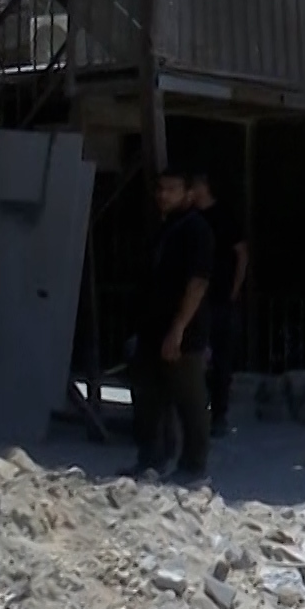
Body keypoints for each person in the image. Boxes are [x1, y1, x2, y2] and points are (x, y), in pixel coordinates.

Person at [126, 168, 215, 482]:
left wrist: (178, 328)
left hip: (184, 332)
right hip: (152, 327)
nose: (163, 195)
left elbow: (198, 282)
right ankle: (152, 458)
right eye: (160, 188)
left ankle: (193, 465)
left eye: (172, 189)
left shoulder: (196, 230)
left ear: (188, 193)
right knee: (148, 399)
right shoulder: (164, 229)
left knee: (189, 400)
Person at [190, 172, 249, 438]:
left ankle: (219, 414)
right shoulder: (190, 218)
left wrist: (234, 290)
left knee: (221, 359)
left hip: (220, 297)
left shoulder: (223, 216)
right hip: (196, 298)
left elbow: (242, 253)